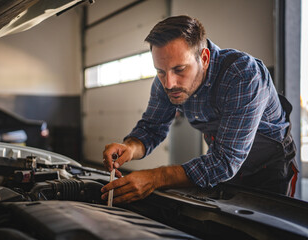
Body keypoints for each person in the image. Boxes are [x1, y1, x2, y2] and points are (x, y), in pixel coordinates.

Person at [101, 15, 298, 204]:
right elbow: (151, 128)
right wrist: (130, 147)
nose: (169, 83)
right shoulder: (166, 81)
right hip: (223, 167)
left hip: (268, 170)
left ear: (204, 58)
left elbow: (225, 162)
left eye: (180, 69)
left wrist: (156, 177)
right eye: (160, 71)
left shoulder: (243, 75)